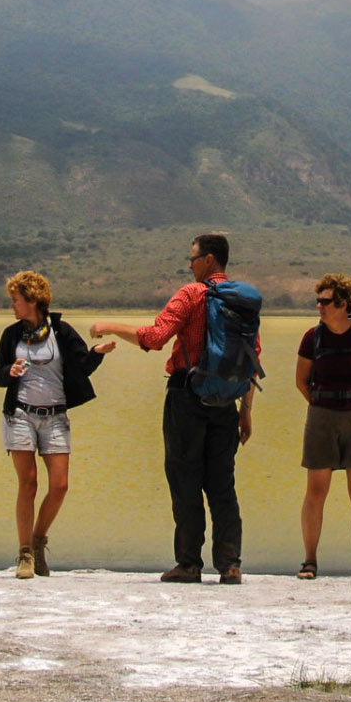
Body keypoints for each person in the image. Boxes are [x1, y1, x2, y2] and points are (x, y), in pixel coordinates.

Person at [89, 233, 258, 585]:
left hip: (187, 397)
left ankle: (189, 564)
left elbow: (155, 338)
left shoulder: (192, 294)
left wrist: (110, 327)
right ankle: (230, 564)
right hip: (227, 403)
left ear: (209, 260)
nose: (190, 264)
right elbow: (251, 360)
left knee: (185, 481)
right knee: (222, 484)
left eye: (193, 258)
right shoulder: (242, 301)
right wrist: (246, 410)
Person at [0, 270, 115, 579]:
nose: (12, 306)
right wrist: (11, 372)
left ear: (32, 300)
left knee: (59, 486)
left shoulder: (61, 331)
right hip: (20, 415)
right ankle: (24, 556)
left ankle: (37, 540)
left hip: (55, 417)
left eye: (16, 300)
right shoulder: (11, 335)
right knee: (28, 483)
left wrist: (97, 353)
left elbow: (82, 365)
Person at [294, 273, 351, 580]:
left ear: (342, 304)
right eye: (317, 301)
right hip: (321, 416)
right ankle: (309, 561)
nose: (319, 307)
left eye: (325, 301)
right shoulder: (313, 337)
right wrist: (323, 405)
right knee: (316, 492)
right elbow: (301, 380)